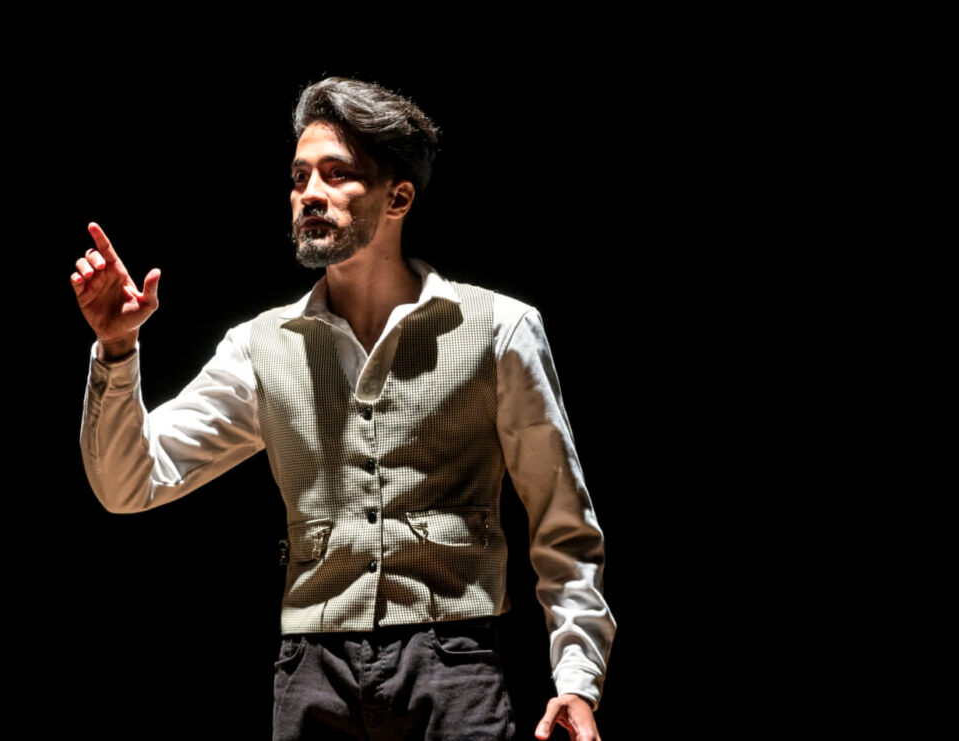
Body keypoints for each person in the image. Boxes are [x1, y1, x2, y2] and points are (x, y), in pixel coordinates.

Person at [72, 77, 616, 740]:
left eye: (338, 174)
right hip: (312, 671)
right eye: (299, 176)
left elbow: (563, 521)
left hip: (455, 663)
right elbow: (130, 483)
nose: (310, 193)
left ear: (398, 197)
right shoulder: (260, 346)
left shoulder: (498, 328)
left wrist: (576, 678)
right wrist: (118, 349)